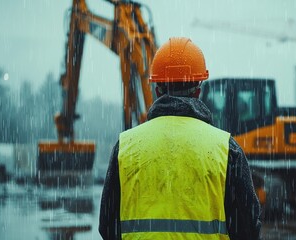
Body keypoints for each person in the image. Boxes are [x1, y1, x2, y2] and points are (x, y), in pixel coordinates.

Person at [99, 37, 261, 240]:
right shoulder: (227, 149)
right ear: (198, 91)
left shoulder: (125, 147)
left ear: (157, 90)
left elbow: (107, 226)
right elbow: (248, 227)